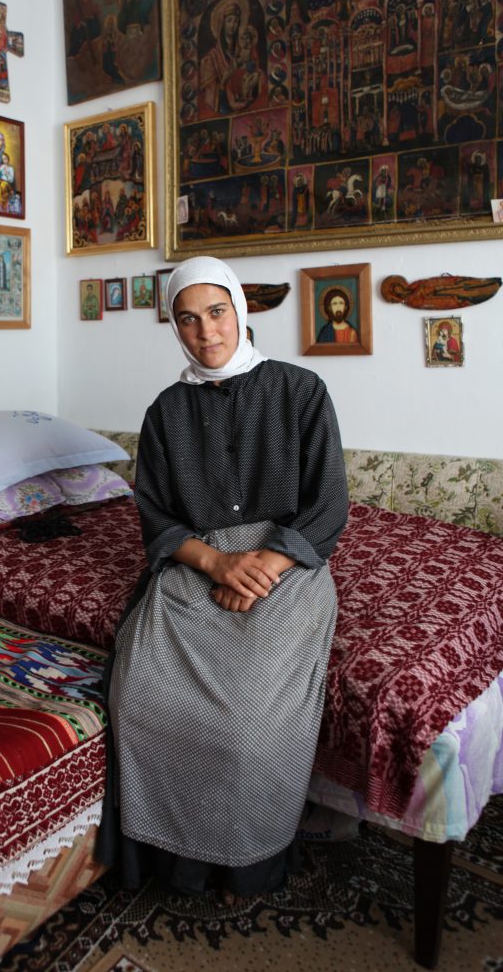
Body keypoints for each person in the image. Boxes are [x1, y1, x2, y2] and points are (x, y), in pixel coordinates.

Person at [97, 256, 348, 901]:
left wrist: (263, 564)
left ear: (240, 309)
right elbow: (155, 514)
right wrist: (216, 563)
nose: (205, 331)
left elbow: (327, 504)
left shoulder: (301, 391)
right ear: (174, 328)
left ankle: (247, 862)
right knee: (139, 695)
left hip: (288, 563)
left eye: (216, 312)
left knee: (249, 723)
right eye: (187, 319)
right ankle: (169, 862)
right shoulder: (165, 412)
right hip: (197, 565)